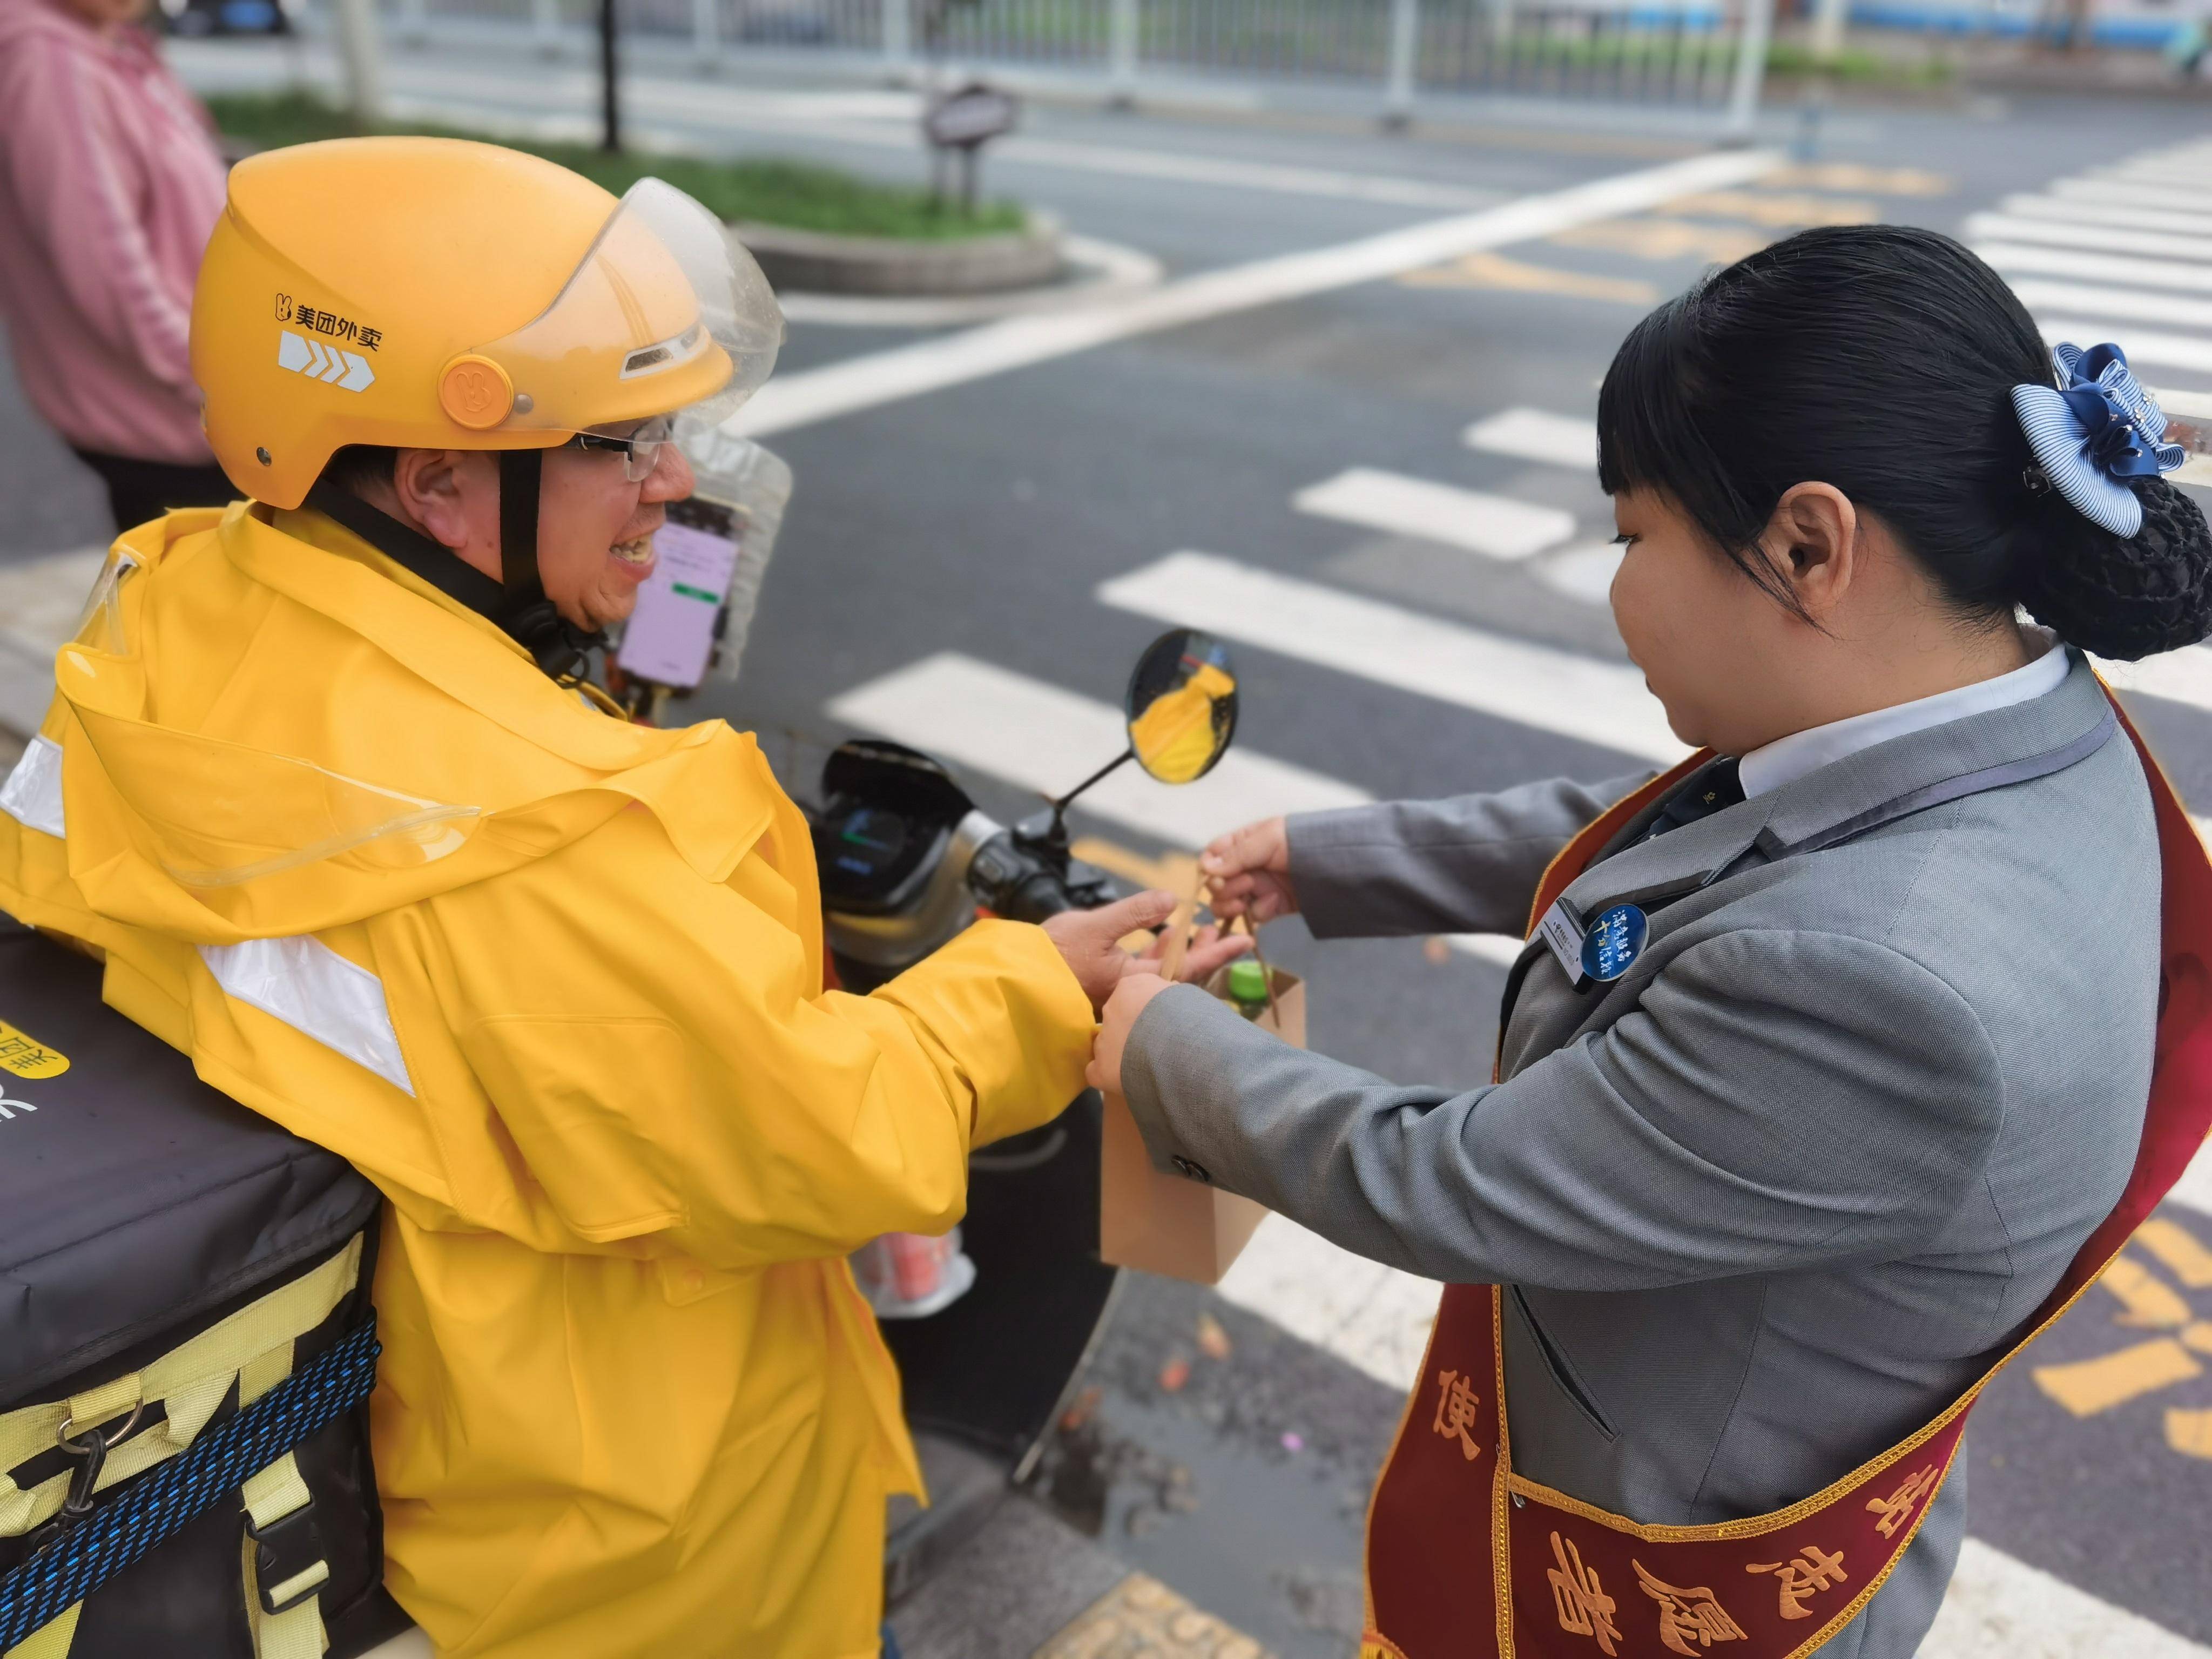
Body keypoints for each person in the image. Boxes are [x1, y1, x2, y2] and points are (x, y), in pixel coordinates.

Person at [0, 136, 1240, 1658]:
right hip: (641, 1531)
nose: (676, 480)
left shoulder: (164, 611)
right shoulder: (565, 833)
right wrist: (1036, 985)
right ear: (444, 482)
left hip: (391, 1434)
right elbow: (816, 1136)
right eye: (617, 443)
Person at [1089, 226, 2212, 1659]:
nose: (1620, 580)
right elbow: (1690, 851)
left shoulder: (1886, 991)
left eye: (1632, 533)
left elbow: (1454, 1181)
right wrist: (1333, 862)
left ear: (1810, 545)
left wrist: (1159, 1042)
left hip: (1667, 1578)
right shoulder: (2020, 716)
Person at [0, 0, 234, 531]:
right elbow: (112, 274)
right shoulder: (50, 61)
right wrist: (216, 382)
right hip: (168, 419)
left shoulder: (108, 40)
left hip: (184, 405)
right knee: (204, 600)